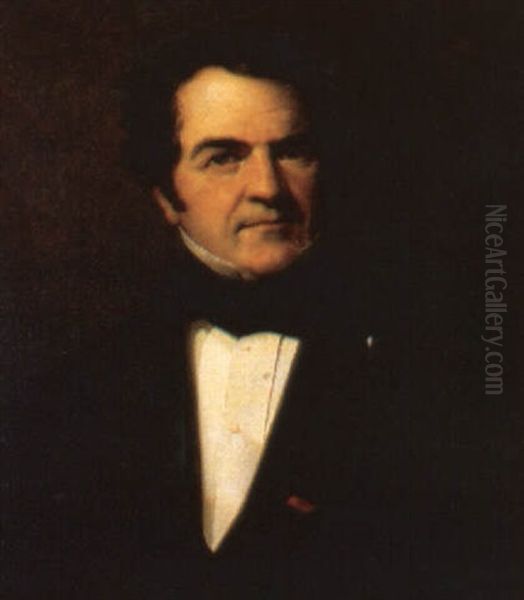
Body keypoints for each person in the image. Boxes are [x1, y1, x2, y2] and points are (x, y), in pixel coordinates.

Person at [5, 32, 515, 599]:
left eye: (293, 152)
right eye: (224, 158)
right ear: (166, 195)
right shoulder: (78, 392)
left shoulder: (433, 374)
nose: (268, 188)